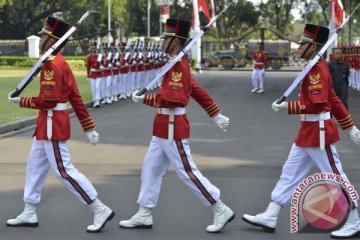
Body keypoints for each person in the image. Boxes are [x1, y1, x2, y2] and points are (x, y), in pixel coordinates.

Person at [242, 24, 360, 238]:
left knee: (334, 176)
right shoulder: (312, 65)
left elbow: (318, 104)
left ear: (314, 46)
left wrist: (288, 107)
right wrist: (349, 125)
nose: (299, 46)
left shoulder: (316, 69)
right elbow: (333, 98)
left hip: (319, 132)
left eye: (304, 43)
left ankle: (355, 219)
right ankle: (271, 213)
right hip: (308, 130)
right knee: (289, 173)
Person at [119, 18, 234, 233]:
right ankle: (144, 212)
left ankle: (220, 208)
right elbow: (196, 89)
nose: (163, 41)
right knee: (150, 169)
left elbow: (174, 99)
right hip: (163, 126)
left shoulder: (179, 65)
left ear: (176, 41)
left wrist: (144, 99)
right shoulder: (174, 62)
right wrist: (215, 113)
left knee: (187, 172)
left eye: (167, 38)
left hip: (173, 126)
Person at [7, 16, 115, 233]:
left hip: (51, 123)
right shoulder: (58, 62)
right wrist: (88, 126)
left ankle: (98, 207)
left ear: (52, 40)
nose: (40, 41)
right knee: (34, 166)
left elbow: (49, 100)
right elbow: (75, 96)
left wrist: (22, 101)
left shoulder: (52, 67)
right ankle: (29, 209)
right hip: (45, 124)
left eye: (44, 37)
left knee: (64, 170)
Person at [85, 41, 102, 108]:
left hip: (99, 74)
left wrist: (101, 68)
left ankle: (97, 101)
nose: (93, 49)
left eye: (94, 48)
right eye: (92, 48)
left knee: (97, 87)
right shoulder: (89, 57)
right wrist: (88, 76)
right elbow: (88, 67)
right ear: (91, 48)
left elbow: (102, 64)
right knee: (93, 88)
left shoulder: (99, 56)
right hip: (92, 74)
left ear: (96, 48)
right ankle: (94, 100)